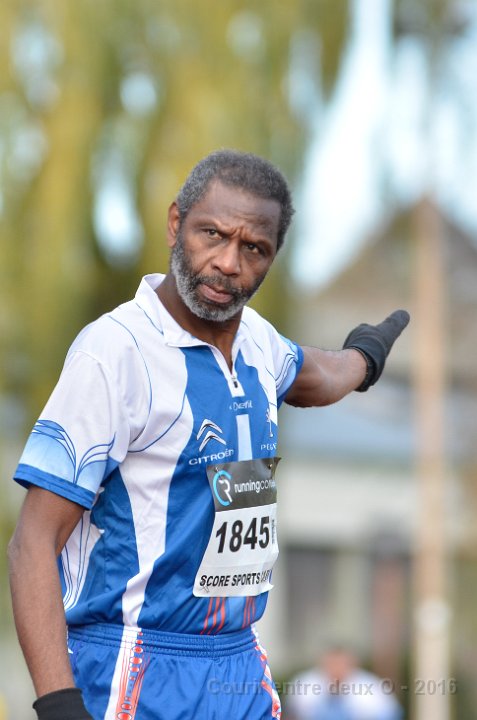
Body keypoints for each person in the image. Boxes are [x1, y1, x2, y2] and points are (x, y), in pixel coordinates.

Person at [8, 149, 409, 720]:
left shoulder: (259, 343)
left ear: (272, 257)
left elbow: (315, 376)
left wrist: (365, 358)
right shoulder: (115, 353)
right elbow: (32, 542)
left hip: (237, 664)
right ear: (176, 223)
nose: (227, 263)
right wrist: (58, 704)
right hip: (135, 664)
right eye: (212, 234)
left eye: (254, 248)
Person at [285, 645, 403, 720]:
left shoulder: (371, 688)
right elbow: (290, 713)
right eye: (332, 664)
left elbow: (391, 714)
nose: (336, 669)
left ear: (352, 664)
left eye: (341, 664)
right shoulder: (305, 684)